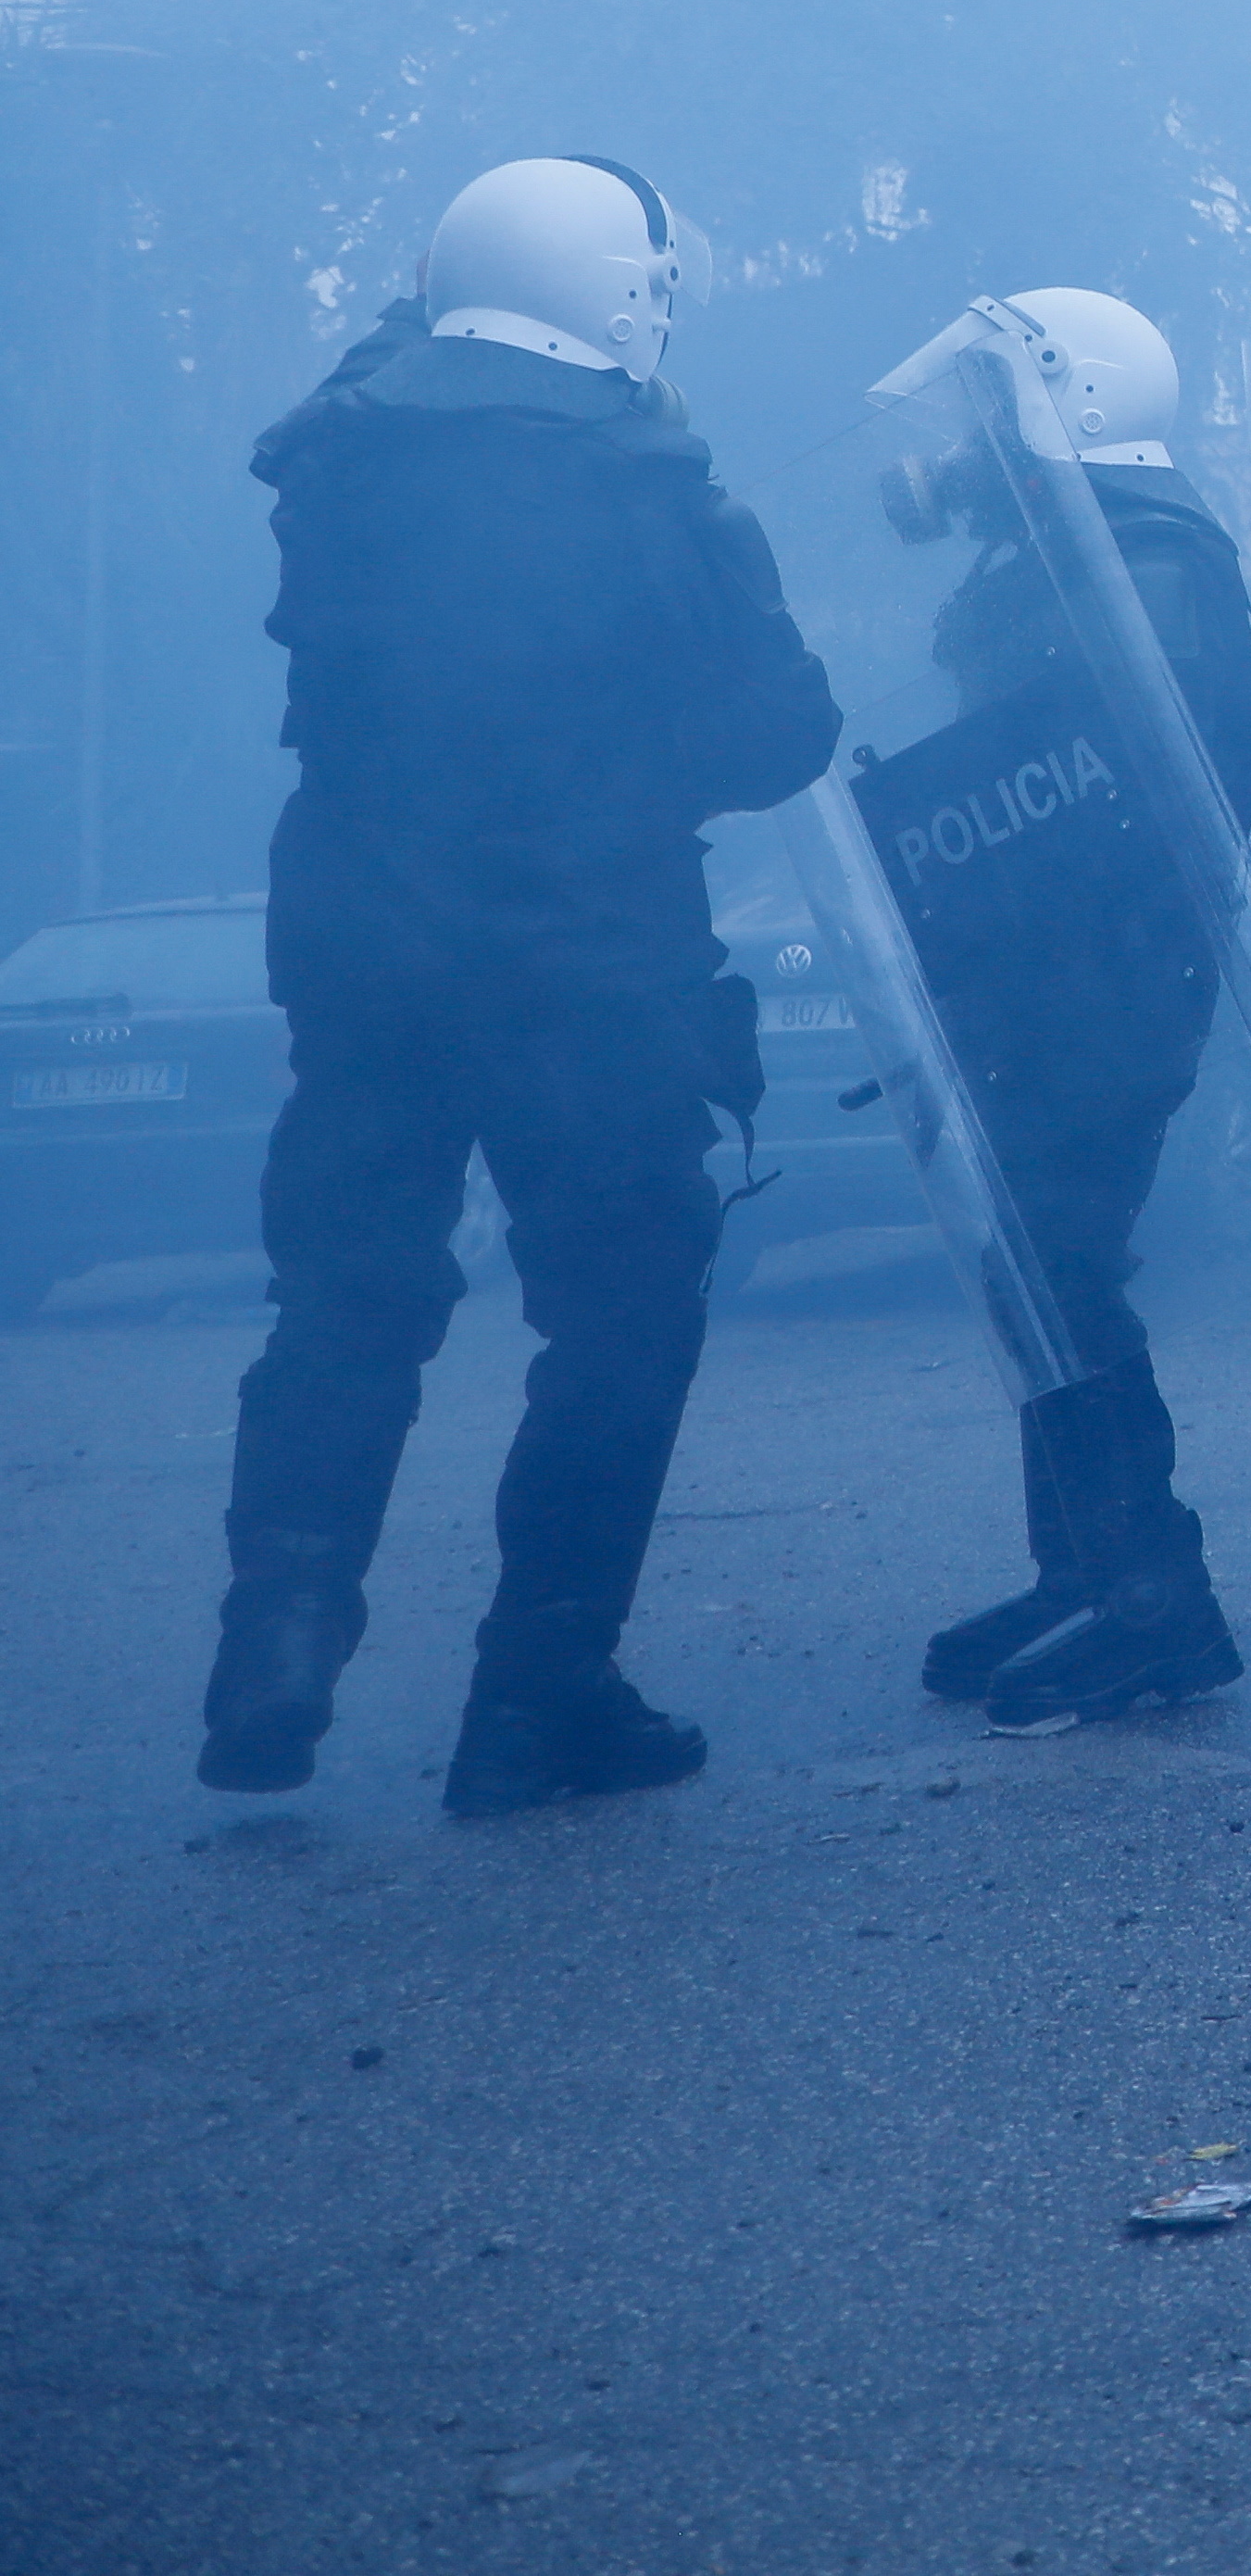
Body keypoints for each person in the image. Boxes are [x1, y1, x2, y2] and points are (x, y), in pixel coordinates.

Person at [198, 157, 840, 1812]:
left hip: (359, 956)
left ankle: (274, 1638)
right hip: (582, 964)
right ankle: (538, 1696)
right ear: (625, 292)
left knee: (345, 1299)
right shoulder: (647, 482)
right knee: (621, 1311)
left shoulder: (339, 454)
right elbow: (783, 728)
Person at [877, 288, 1251, 1728]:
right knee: (1037, 1266)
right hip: (1044, 972)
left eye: (996, 413)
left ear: (1072, 406)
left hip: (1098, 979)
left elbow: (1153, 784)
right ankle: (1087, 1574)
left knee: (1060, 1260)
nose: (971, 447)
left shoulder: (1145, 567)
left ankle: (1152, 1596)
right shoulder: (1071, 555)